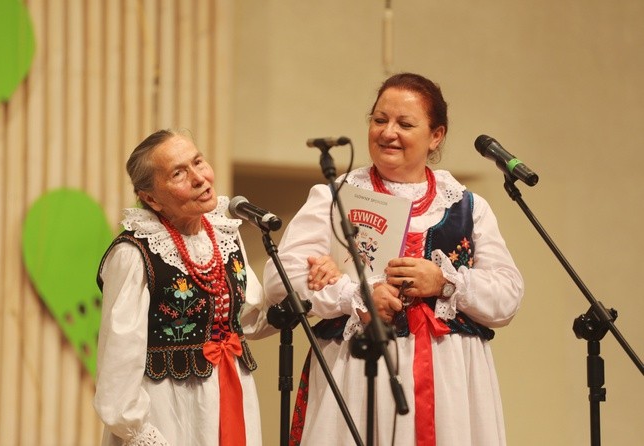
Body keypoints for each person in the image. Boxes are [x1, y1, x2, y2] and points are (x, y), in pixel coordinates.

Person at [262, 73, 524, 445]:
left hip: (450, 381)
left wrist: (446, 282)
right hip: (359, 368)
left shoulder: (467, 206)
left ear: (436, 135)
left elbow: (508, 296)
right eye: (380, 120)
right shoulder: (335, 198)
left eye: (405, 123)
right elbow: (278, 279)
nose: (388, 132)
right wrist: (355, 294)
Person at [93, 129, 275, 446]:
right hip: (168, 409)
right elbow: (118, 365)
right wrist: (144, 434)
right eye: (179, 173)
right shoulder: (134, 254)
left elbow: (246, 317)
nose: (199, 178)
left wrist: (306, 291)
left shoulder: (224, 235)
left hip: (230, 395)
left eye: (198, 162)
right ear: (150, 198)